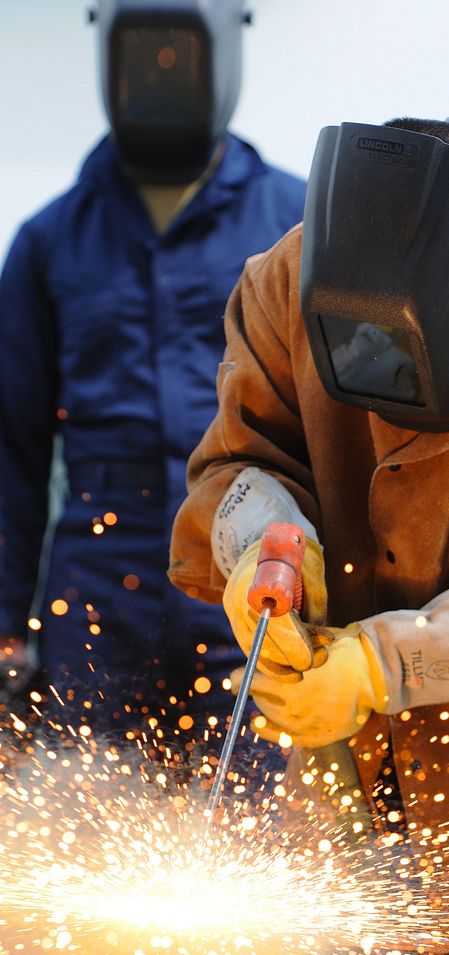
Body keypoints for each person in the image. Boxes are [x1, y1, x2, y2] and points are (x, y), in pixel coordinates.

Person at [168, 116, 449, 943]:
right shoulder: (286, 283)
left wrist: (380, 666)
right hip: (342, 804)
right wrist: (264, 551)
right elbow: (235, 465)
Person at [0, 0, 306, 742]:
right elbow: (11, 450)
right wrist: (5, 624)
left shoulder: (296, 225)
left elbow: (343, 430)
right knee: (85, 814)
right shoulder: (50, 242)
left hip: (251, 577)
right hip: (98, 594)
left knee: (243, 829)